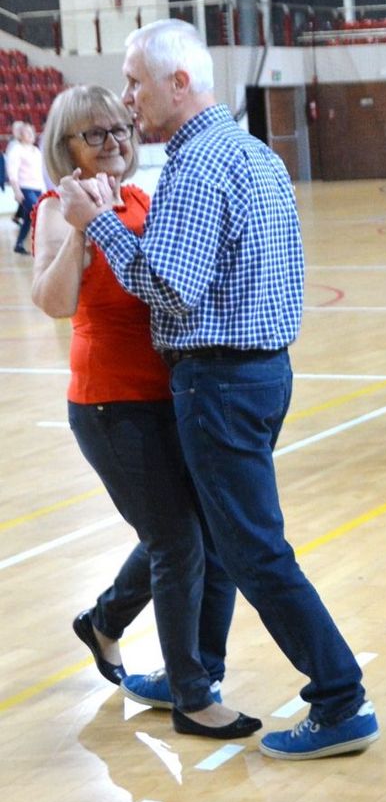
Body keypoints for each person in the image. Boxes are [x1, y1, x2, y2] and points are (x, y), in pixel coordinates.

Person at [57, 19, 379, 760]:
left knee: (254, 549)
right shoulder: (252, 153)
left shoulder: (197, 166)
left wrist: (101, 223)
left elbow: (169, 287)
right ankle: (191, 672)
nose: (129, 97)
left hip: (220, 381)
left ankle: (340, 697)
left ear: (179, 82)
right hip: (262, 371)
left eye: (136, 81)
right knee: (223, 535)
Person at [30, 85, 249, 737]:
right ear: (63, 146)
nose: (114, 142)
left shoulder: (141, 200)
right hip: (108, 405)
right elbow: (54, 302)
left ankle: (104, 621)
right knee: (178, 542)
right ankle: (190, 694)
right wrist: (80, 232)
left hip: (170, 395)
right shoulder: (54, 208)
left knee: (196, 535)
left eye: (120, 129)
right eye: (94, 134)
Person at [8, 120, 46, 255]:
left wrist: (44, 191)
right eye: (27, 132)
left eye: (32, 132)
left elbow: (39, 172)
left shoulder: (36, 151)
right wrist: (16, 190)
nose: (31, 134)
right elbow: (12, 172)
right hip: (25, 187)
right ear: (21, 135)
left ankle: (19, 244)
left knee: (29, 217)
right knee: (36, 212)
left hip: (37, 188)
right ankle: (40, 244)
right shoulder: (16, 149)